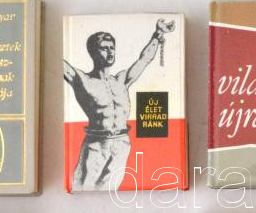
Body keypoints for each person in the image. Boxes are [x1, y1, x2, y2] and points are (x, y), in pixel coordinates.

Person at [63, 19, 175, 190]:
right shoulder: (83, 80)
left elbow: (144, 60)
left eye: (112, 47)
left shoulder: (121, 81)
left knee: (110, 189)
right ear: (93, 52)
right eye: (104, 48)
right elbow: (60, 64)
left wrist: (158, 34)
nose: (110, 52)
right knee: (82, 188)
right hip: (96, 143)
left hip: (122, 144)